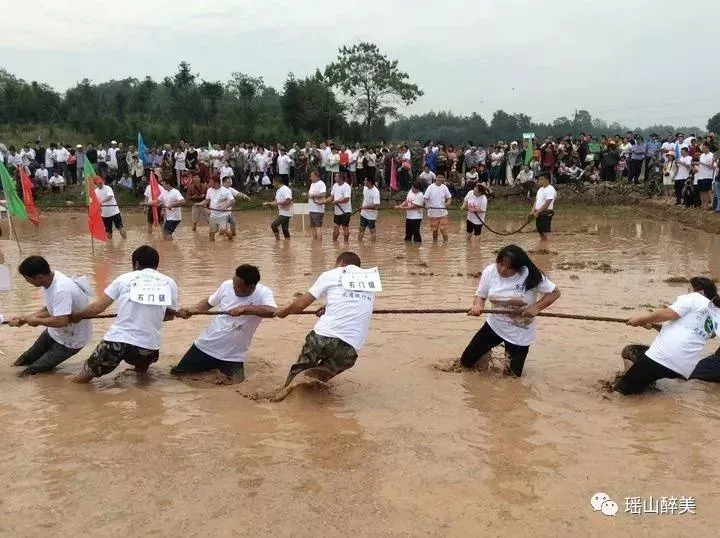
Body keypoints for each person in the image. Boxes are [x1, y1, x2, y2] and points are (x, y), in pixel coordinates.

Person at [70, 245, 178, 383]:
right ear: (156, 264)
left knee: (81, 380)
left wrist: (76, 316)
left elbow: (97, 308)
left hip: (117, 340)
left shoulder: (124, 279)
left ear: (136, 264)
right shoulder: (170, 283)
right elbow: (170, 315)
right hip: (148, 345)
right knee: (142, 379)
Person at [274, 252, 376, 387]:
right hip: (350, 349)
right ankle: (313, 402)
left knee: (298, 375)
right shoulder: (370, 280)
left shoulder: (332, 274)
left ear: (341, 263)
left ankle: (283, 399)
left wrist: (283, 312)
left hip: (323, 337)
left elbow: (300, 304)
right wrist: (329, 306)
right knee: (317, 381)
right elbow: (355, 303)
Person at [460, 245, 561, 376]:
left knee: (512, 378)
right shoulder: (490, 271)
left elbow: (555, 293)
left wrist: (535, 308)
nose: (503, 269)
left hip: (520, 332)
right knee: (466, 362)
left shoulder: (530, 274)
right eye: (500, 264)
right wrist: (477, 306)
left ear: (519, 267)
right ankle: (485, 358)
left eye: (509, 267)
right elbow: (481, 295)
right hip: (494, 326)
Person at [616, 277, 720, 395]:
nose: (687, 293)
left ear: (700, 292)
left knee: (620, 390)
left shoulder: (695, 298)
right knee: (643, 366)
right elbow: (694, 333)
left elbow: (668, 313)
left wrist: (640, 319)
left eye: (688, 290)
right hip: (683, 369)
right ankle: (646, 381)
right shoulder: (715, 313)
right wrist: (654, 325)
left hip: (662, 359)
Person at [172, 265, 277, 381]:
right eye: (233, 283)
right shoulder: (226, 285)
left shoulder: (264, 293)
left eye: (237, 287)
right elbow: (208, 303)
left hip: (233, 357)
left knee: (235, 388)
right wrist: (192, 311)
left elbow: (273, 311)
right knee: (177, 376)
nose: (233, 287)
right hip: (205, 346)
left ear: (252, 287)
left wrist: (246, 308)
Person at [9, 256, 93, 377]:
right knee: (22, 360)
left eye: (27, 279)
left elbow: (62, 320)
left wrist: (37, 321)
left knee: (30, 372)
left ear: (39, 277)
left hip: (71, 340)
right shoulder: (50, 279)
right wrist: (26, 318)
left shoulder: (61, 289)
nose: (27, 282)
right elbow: (50, 309)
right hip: (54, 332)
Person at [195, 176, 235, 241]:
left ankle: (231, 239)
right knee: (211, 233)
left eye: (211, 182)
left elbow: (233, 201)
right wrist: (199, 204)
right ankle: (212, 248)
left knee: (223, 230)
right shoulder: (209, 190)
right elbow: (206, 200)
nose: (209, 184)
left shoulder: (225, 191)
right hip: (213, 215)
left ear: (216, 183)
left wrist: (225, 206)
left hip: (223, 215)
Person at [423, 174, 452, 242]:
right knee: (434, 231)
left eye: (442, 177)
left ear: (443, 179)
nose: (440, 179)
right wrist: (426, 204)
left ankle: (445, 245)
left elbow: (449, 198)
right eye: (439, 177)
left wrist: (448, 203)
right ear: (436, 178)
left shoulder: (444, 187)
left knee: (443, 229)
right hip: (432, 213)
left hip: (442, 212)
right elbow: (425, 198)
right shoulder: (430, 187)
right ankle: (435, 245)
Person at [326, 173, 352, 242]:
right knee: (335, 227)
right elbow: (331, 197)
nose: (334, 178)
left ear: (340, 178)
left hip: (345, 211)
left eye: (336, 177)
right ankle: (334, 242)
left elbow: (346, 199)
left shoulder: (347, 187)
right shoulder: (335, 185)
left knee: (345, 227)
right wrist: (324, 201)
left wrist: (337, 201)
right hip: (337, 211)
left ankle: (346, 243)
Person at [530, 174, 556, 241]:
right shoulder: (540, 189)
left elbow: (547, 203)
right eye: (539, 179)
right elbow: (536, 201)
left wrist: (538, 212)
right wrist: (532, 211)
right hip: (538, 213)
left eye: (541, 179)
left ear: (547, 180)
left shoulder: (550, 189)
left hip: (546, 213)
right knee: (540, 230)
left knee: (546, 231)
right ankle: (543, 245)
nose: (540, 181)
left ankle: (548, 247)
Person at [694, 142, 716, 210]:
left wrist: (702, 163)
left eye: (703, 148)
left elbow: (711, 166)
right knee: (701, 191)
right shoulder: (702, 155)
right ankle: (703, 204)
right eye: (702, 148)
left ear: (707, 148)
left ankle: (707, 205)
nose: (702, 149)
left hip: (707, 175)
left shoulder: (711, 155)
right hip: (700, 175)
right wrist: (698, 163)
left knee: (706, 190)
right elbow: (701, 164)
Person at [358, 176, 381, 241]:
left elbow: (376, 205)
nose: (364, 182)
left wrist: (365, 207)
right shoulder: (365, 188)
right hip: (363, 213)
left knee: (372, 231)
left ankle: (372, 247)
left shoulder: (376, 192)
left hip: (371, 216)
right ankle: (359, 244)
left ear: (369, 182)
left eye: (365, 180)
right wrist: (361, 207)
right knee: (361, 229)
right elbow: (364, 198)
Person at [307, 169, 326, 241]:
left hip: (318, 210)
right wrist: (308, 195)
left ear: (316, 176)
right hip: (311, 209)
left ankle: (319, 245)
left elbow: (323, 194)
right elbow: (311, 195)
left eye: (311, 176)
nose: (310, 178)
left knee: (318, 227)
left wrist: (312, 195)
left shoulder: (321, 184)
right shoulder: (312, 184)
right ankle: (315, 244)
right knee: (312, 227)